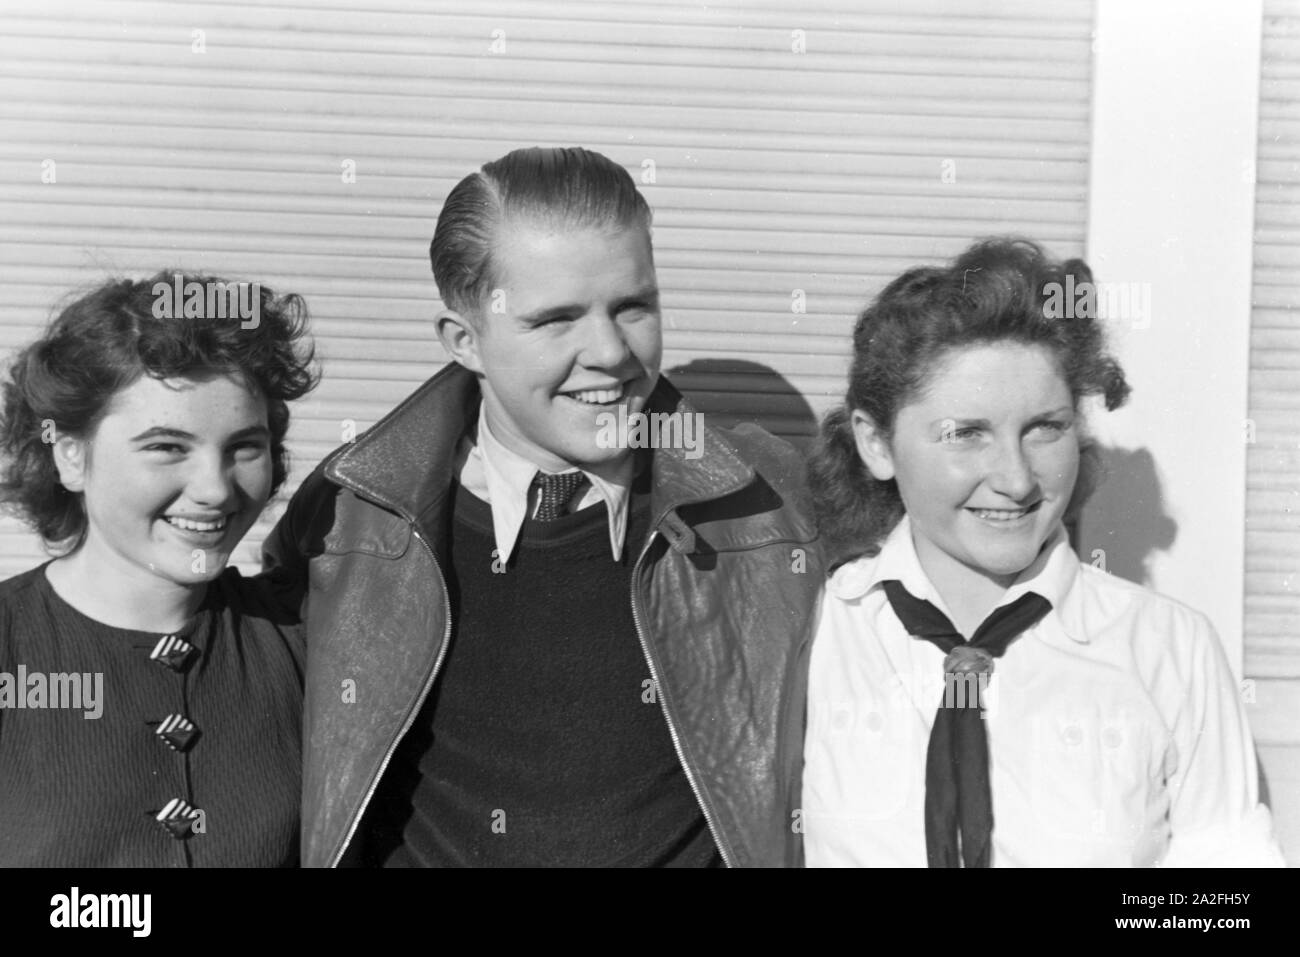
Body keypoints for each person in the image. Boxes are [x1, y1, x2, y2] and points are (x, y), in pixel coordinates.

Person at [262, 146, 822, 867]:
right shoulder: (350, 515)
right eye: (556, 320)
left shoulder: (773, 501)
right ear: (464, 340)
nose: (610, 352)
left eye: (633, 306)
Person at [796, 238, 1285, 867]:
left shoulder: (1170, 650)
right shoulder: (810, 631)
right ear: (877, 444)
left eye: (1045, 429)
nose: (1017, 479)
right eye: (966, 434)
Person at [0, 272, 317, 866]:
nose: (214, 489)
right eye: (167, 447)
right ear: (71, 454)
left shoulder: (311, 645)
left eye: (244, 447)